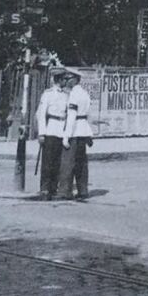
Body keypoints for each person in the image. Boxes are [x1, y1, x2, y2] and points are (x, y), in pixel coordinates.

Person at [58, 67, 93, 200]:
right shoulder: (85, 93)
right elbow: (89, 114)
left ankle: (64, 191)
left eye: (69, 79)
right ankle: (83, 190)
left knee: (68, 162)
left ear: (76, 80)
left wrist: (66, 136)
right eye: (66, 79)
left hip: (74, 132)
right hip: (83, 131)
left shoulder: (74, 95)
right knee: (81, 163)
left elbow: (71, 117)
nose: (67, 81)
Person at [35, 68, 68, 200]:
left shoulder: (66, 95)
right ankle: (45, 188)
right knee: (48, 162)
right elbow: (41, 114)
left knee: (58, 162)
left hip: (61, 130)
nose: (65, 81)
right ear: (58, 80)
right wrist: (41, 133)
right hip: (50, 130)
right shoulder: (47, 94)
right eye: (64, 79)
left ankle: (54, 187)